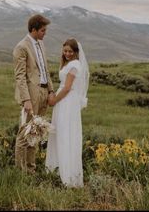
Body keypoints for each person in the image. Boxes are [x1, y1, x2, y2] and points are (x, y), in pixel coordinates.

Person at [13, 14, 55, 173]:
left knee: (36, 133)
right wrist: (26, 99)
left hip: (44, 92)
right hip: (31, 95)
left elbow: (46, 70)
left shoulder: (41, 45)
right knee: (24, 134)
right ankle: (20, 172)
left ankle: (31, 170)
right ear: (34, 29)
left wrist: (51, 90)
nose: (46, 33)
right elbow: (20, 76)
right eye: (43, 30)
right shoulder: (21, 47)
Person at [45, 38, 90, 187]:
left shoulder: (75, 65)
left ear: (76, 52)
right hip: (64, 101)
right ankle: (57, 169)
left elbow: (67, 87)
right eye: (65, 51)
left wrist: (54, 100)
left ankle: (68, 175)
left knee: (66, 134)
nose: (67, 54)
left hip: (66, 102)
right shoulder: (68, 64)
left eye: (70, 51)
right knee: (61, 132)